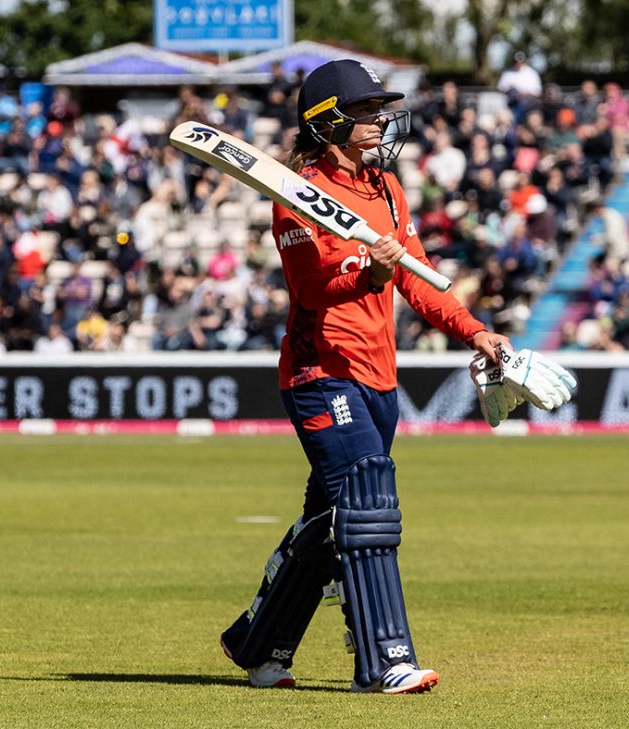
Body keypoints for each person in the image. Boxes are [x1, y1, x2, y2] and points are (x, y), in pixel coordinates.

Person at [217, 59, 517, 695]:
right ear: (328, 124)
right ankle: (383, 659)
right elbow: (312, 287)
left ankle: (257, 644)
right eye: (365, 113)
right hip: (319, 373)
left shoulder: (385, 189)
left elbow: (416, 278)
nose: (380, 122)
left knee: (329, 523)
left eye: (380, 111)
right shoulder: (297, 197)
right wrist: (369, 275)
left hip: (377, 379)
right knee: (366, 501)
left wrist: (476, 331)